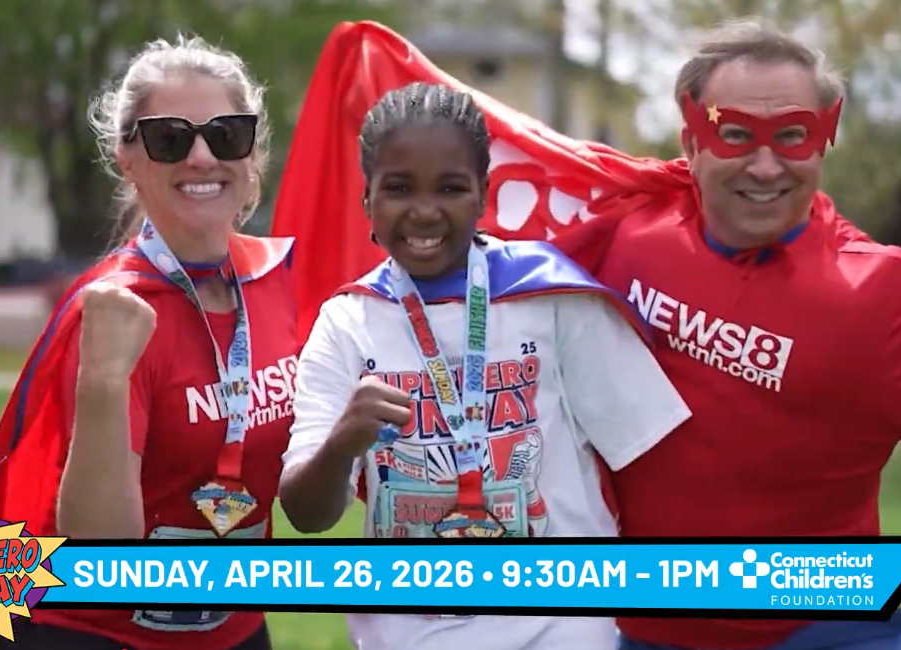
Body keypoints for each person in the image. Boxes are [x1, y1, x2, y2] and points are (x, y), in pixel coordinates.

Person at [547, 19, 901, 650]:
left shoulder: (886, 298)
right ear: (691, 143)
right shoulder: (621, 228)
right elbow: (472, 283)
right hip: (634, 628)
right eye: (734, 135)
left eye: (791, 135)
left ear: (822, 142)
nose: (764, 164)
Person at [277, 82, 692, 650]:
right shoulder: (345, 324)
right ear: (367, 200)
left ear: (483, 195)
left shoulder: (551, 295)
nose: (425, 211)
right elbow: (307, 515)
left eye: (450, 188)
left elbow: (650, 462)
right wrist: (341, 445)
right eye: (399, 188)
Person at [0, 35, 300, 650]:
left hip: (234, 630)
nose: (202, 156)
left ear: (254, 154)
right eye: (169, 138)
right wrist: (105, 382)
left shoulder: (282, 282)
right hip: (87, 633)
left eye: (226, 133)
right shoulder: (113, 308)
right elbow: (102, 556)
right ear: (127, 158)